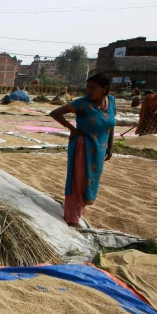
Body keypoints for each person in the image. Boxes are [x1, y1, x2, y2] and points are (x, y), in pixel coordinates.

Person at [50, 74, 116, 227]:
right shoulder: (82, 103)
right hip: (83, 146)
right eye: (88, 87)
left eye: (93, 88)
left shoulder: (111, 101)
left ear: (104, 89)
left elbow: (111, 124)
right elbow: (55, 113)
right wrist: (71, 128)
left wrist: (110, 146)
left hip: (100, 148)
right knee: (78, 181)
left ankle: (77, 211)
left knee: (91, 179)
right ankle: (72, 217)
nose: (89, 91)